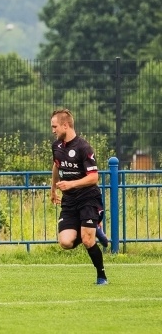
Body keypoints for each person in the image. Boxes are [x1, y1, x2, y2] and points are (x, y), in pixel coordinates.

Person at [49, 108, 108, 285]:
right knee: (66, 242)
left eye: (55, 126)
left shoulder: (83, 147)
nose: (53, 130)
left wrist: (71, 184)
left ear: (65, 125)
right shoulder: (56, 147)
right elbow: (56, 167)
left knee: (88, 240)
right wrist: (53, 189)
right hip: (69, 201)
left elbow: (93, 177)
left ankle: (101, 276)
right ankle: (93, 229)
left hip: (88, 198)